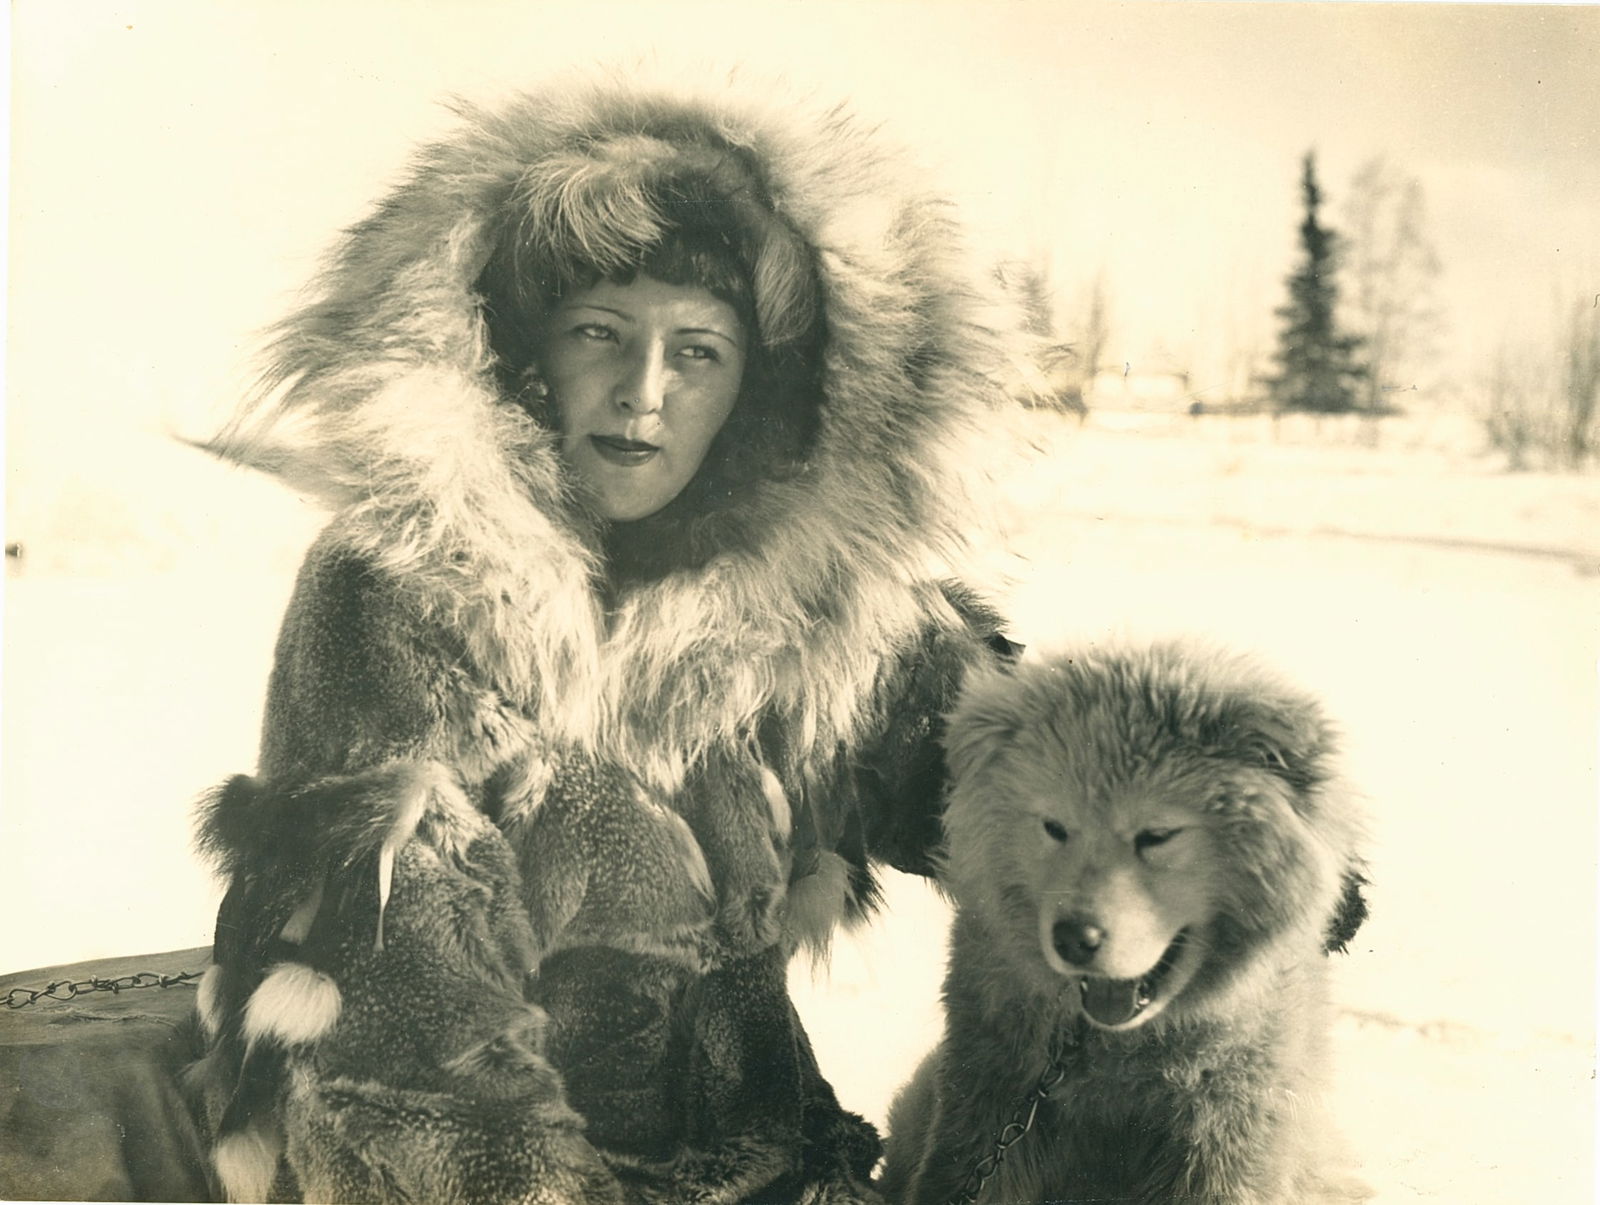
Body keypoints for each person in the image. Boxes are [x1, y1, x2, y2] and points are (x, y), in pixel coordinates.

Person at [163, 75, 1026, 1205]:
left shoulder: (816, 602)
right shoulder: (399, 582)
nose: (642, 392)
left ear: (758, 393)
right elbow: (409, 1027)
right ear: (522, 353)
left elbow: (1031, 796)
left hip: (771, 1165)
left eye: (699, 351)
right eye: (600, 334)